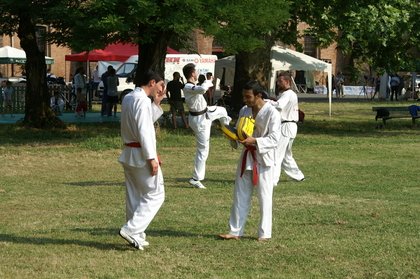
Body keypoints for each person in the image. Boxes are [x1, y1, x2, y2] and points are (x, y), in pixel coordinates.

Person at [219, 81, 281, 242]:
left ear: (259, 96)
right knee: (240, 194)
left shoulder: (272, 113)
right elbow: (240, 131)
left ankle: (264, 233)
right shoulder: (244, 110)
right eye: (244, 96)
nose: (245, 100)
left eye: (248, 96)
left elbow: (275, 139)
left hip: (263, 157)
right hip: (247, 155)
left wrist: (255, 141)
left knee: (264, 196)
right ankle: (235, 231)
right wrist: (231, 136)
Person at [118, 70, 166, 250]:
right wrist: (152, 158)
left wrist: (157, 102)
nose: (162, 89)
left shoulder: (130, 97)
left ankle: (136, 233)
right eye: (161, 85)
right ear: (152, 82)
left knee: (135, 194)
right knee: (156, 194)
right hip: (140, 153)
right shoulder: (142, 101)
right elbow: (145, 130)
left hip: (130, 151)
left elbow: (142, 121)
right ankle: (131, 229)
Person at [182, 63, 232, 189]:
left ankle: (229, 133)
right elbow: (202, 89)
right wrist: (209, 81)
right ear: (192, 73)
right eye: (196, 71)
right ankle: (195, 178)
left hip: (205, 112)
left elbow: (201, 89)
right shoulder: (188, 86)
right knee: (203, 150)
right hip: (199, 119)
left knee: (222, 111)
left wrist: (210, 82)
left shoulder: (193, 86)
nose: (198, 73)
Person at [270, 71, 305, 185]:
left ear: (287, 81)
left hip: (286, 126)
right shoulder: (286, 94)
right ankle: (298, 176)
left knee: (277, 153)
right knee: (286, 155)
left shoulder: (288, 94)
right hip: (289, 125)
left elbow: (279, 105)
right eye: (278, 81)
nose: (278, 83)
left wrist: (266, 102)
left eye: (280, 81)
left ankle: (272, 180)